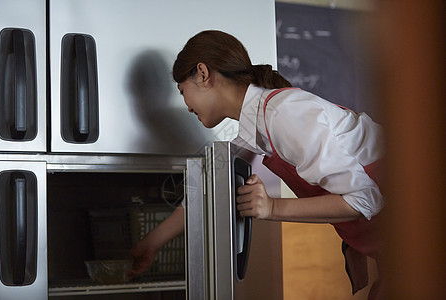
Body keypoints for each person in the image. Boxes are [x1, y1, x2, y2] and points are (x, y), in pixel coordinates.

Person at [128, 30, 384, 299]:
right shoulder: (254, 129)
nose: (187, 106)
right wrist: (152, 242)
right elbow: (203, 192)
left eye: (182, 91)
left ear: (203, 74)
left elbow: (365, 200)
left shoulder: (283, 113)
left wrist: (272, 207)